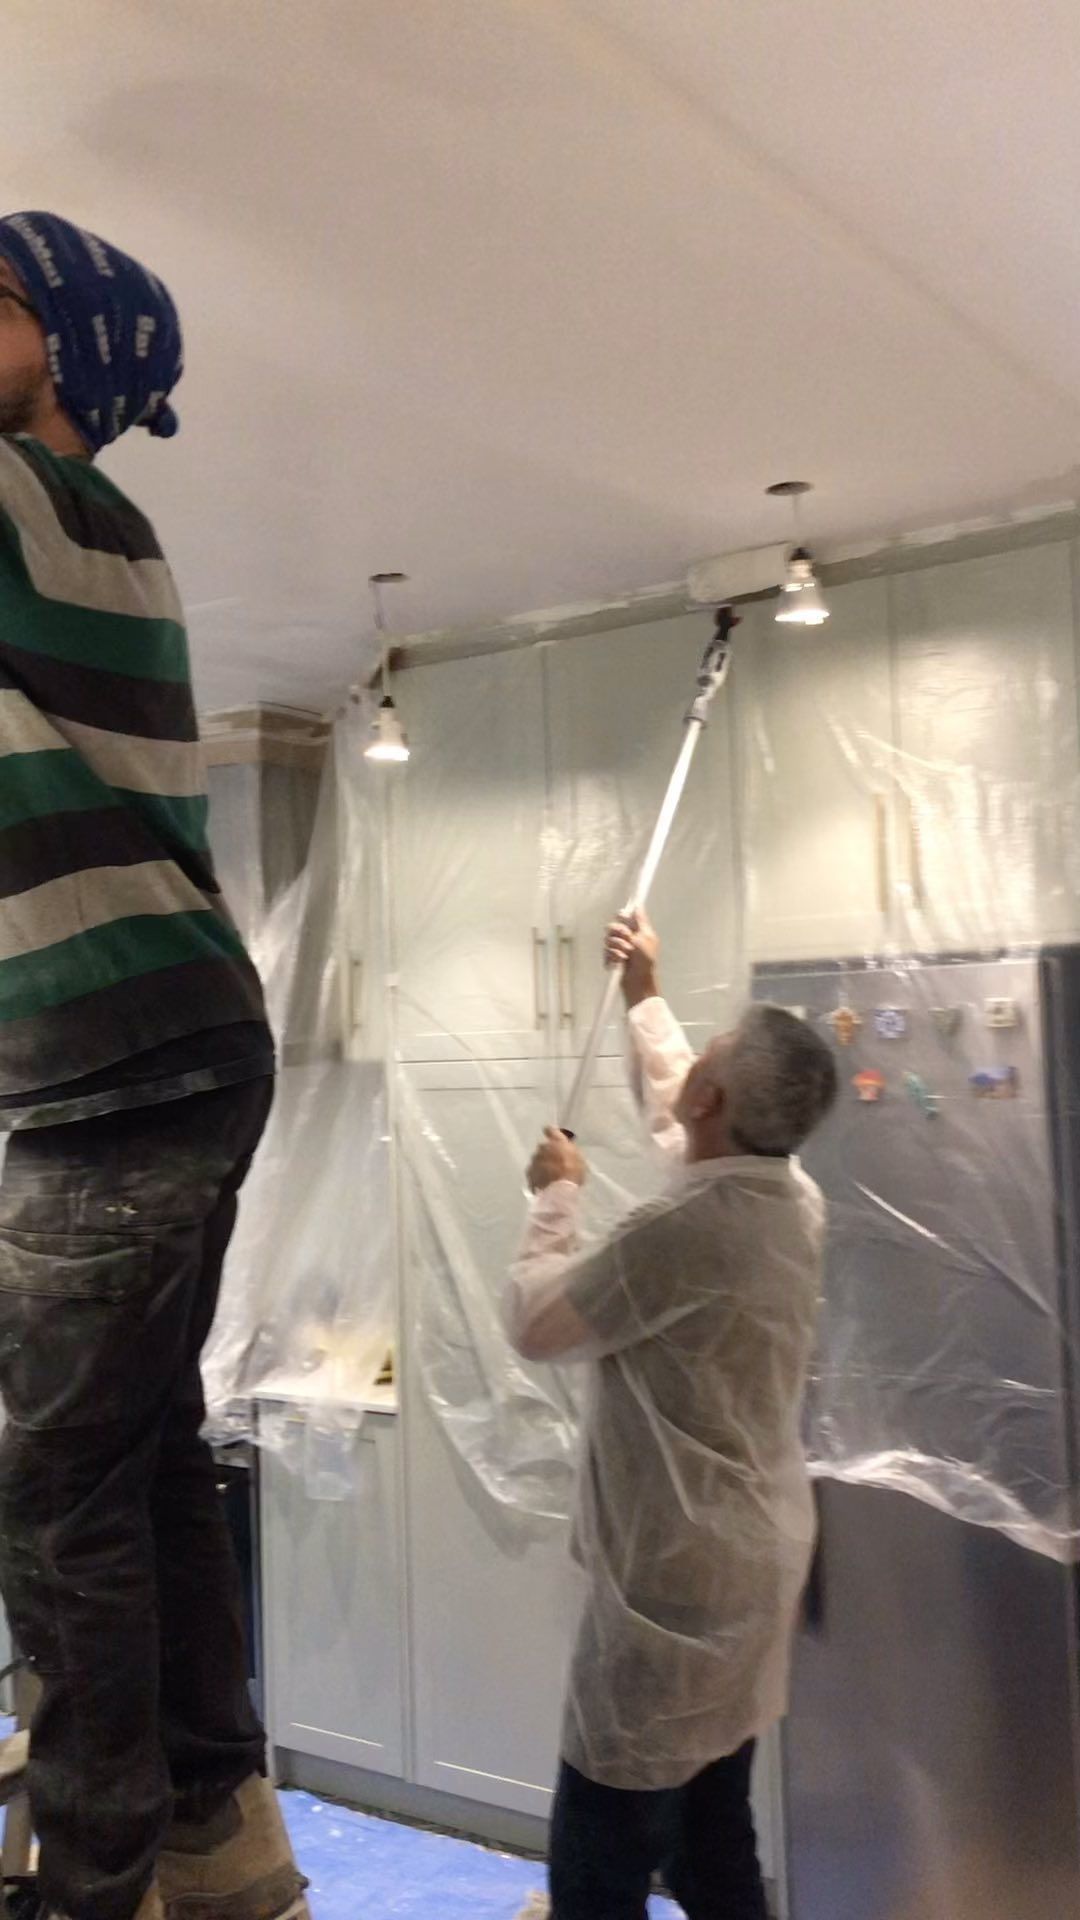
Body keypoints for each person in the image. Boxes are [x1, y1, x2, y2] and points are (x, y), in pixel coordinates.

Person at [0, 213, 307, 1920]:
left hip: (116, 1060)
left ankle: (94, 1881)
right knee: (137, 1450)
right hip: (154, 1044)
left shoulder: (48, 505)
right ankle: (206, 1810)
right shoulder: (76, 531)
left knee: (48, 1485)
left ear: (69, 346)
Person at [506, 912, 838, 1920]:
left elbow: (537, 1322)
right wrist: (645, 994)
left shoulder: (679, 1232)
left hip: (673, 1588)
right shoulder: (789, 1195)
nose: (698, 1064)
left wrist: (553, 1201)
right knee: (710, 1842)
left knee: (600, 1863)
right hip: (751, 1566)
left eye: (714, 1054)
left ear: (715, 1096)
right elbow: (681, 1117)